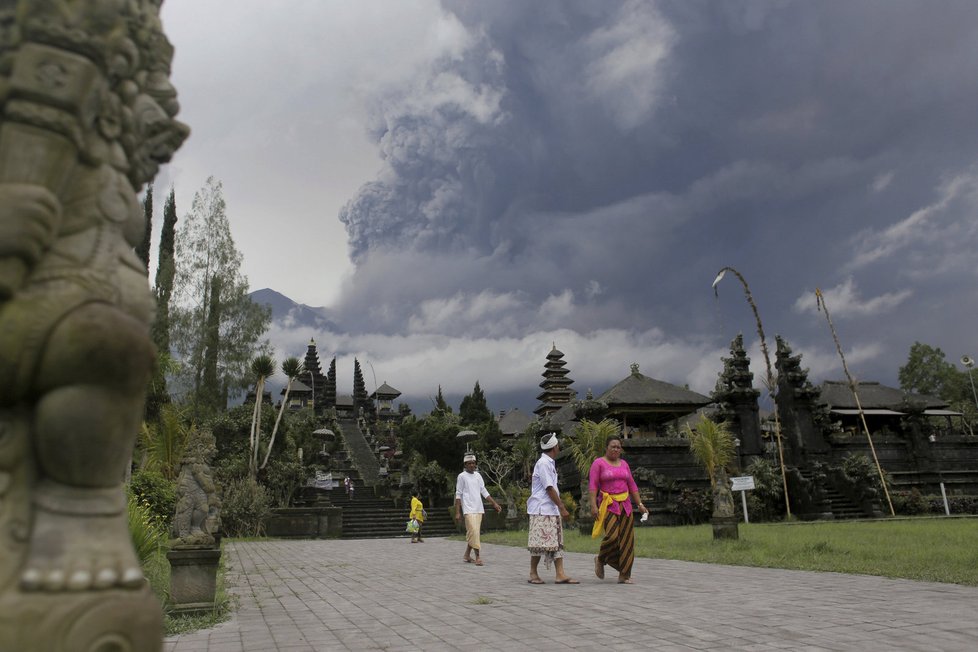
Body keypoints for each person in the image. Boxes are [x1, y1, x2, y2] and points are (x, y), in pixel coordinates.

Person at [589, 435, 649, 584]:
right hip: (608, 505)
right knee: (613, 536)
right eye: (613, 446)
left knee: (627, 540)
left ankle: (624, 574)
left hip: (625, 505)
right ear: (606, 448)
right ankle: (601, 558)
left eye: (618, 447)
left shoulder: (624, 464)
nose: (616, 449)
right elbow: (593, 486)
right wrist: (593, 505)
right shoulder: (598, 463)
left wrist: (640, 505)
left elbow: (632, 485)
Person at [527, 433, 578, 584]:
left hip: (550, 509)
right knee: (539, 543)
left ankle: (560, 573)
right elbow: (549, 488)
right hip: (542, 509)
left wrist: (558, 507)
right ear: (555, 447)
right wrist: (562, 506)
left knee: (556, 541)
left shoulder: (549, 463)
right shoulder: (543, 463)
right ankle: (533, 572)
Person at [454, 453, 502, 565]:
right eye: (469, 463)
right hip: (468, 509)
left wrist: (494, 503)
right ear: (465, 465)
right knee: (474, 532)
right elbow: (458, 494)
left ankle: (466, 555)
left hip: (478, 508)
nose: (472, 465)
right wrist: (457, 512)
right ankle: (478, 557)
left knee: (473, 533)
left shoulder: (478, 476)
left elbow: (484, 491)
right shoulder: (461, 476)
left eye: (473, 463)